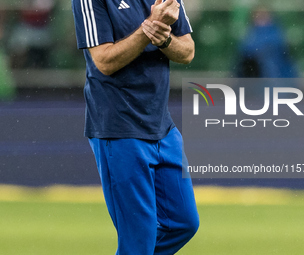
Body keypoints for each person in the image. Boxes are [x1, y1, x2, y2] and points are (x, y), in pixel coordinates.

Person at [71, 0, 199, 254]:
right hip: (119, 127)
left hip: (162, 125)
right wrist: (151, 27)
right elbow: (105, 61)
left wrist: (164, 40)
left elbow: (187, 52)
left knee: (182, 224)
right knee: (138, 239)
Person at [235, 6, 297, 78]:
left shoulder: (278, 35)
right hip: (257, 77)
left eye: (264, 15)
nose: (261, 19)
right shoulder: (249, 36)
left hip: (274, 76)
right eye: (259, 16)